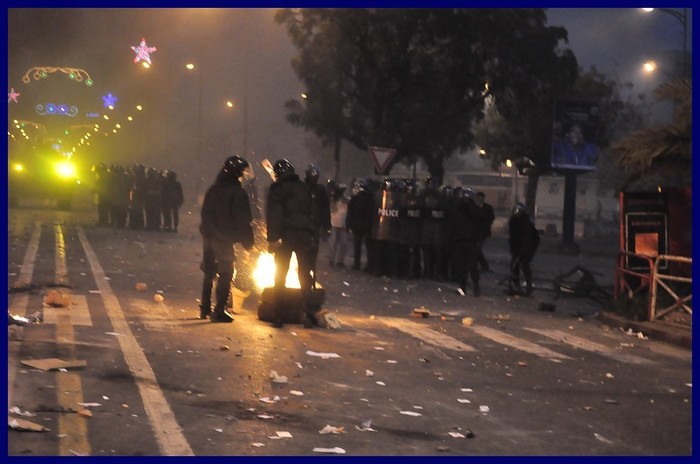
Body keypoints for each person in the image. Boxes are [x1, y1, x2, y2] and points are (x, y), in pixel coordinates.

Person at [199, 156, 255, 322]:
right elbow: (243, 220)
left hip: (208, 237)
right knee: (226, 273)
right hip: (223, 240)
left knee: (209, 272)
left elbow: (205, 214)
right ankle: (219, 310)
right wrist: (248, 242)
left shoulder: (213, 189)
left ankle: (205, 308)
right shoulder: (237, 193)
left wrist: (208, 231)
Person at [266, 159, 317, 329]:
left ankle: (278, 316)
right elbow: (312, 212)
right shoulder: (304, 188)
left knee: (280, 275)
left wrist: (272, 239)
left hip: (286, 237)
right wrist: (312, 234)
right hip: (304, 236)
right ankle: (307, 314)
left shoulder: (277, 189)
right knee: (305, 275)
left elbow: (274, 215)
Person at [449, 187, 482, 297]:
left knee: (472, 265)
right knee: (462, 265)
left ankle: (476, 287)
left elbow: (477, 219)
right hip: (460, 239)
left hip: (470, 240)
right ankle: (463, 287)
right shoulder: (458, 208)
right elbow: (454, 222)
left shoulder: (474, 209)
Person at [304, 164, 331, 283]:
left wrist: (327, 226)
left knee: (313, 251)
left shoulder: (321, 190)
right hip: (303, 226)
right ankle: (305, 276)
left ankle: (309, 274)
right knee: (303, 252)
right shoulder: (302, 188)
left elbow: (325, 209)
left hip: (315, 226)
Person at [508, 202, 540, 296]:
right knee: (514, 265)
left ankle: (529, 285)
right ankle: (516, 284)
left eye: (518, 211)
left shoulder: (526, 223)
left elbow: (527, 239)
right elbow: (513, 237)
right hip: (517, 247)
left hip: (528, 247)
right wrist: (513, 250)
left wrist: (522, 252)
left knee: (524, 264)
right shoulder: (513, 222)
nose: (516, 212)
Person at [328, 184, 349, 267]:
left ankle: (340, 261)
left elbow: (348, 202)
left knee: (344, 243)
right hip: (334, 224)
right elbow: (333, 209)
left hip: (343, 225)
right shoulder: (333, 199)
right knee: (333, 243)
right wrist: (334, 198)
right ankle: (331, 259)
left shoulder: (345, 199)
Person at [474, 191, 495, 272]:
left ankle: (483, 266)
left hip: (483, 232)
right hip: (474, 232)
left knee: (477, 249)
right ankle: (483, 266)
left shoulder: (488, 208)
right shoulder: (473, 207)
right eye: (478, 198)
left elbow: (491, 218)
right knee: (476, 249)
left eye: (480, 198)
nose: (479, 200)